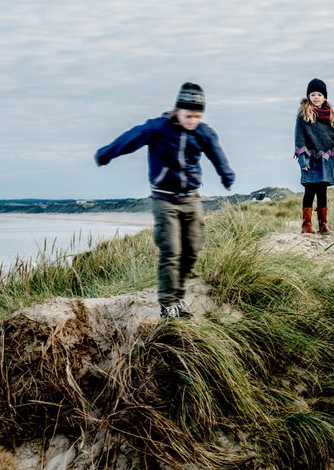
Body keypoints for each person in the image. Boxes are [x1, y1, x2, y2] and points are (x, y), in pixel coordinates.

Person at [94, 82, 235, 319]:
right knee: (171, 250)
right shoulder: (158, 128)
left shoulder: (204, 132)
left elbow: (216, 154)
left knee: (192, 249)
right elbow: (131, 138)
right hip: (164, 199)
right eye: (188, 115)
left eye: (198, 116)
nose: (192, 121)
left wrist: (226, 175)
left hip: (190, 198)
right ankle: (168, 304)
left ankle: (177, 297)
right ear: (177, 110)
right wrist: (106, 154)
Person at [295, 78, 334, 234]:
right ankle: (306, 225)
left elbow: (331, 136)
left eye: (319, 94)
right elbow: (299, 139)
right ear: (308, 97)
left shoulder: (328, 116)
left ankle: (323, 226)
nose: (316, 97)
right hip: (310, 160)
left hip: (325, 160)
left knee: (322, 191)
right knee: (310, 190)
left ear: (324, 97)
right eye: (313, 94)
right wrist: (302, 160)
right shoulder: (303, 115)